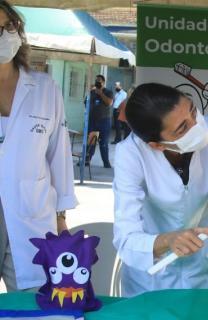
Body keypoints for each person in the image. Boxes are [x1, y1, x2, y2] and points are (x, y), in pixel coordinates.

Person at [113, 83, 208, 297]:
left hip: (206, 271)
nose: (197, 126)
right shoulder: (130, 153)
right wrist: (167, 241)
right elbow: (125, 238)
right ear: (156, 145)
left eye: (193, 111)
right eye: (182, 128)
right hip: (151, 281)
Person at [0, 0, 77, 291]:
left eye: (9, 26)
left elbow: (59, 155)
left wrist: (60, 217)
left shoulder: (45, 88)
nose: (6, 35)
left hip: (31, 213)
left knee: (35, 303)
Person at [86, 74, 113, 168]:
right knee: (91, 142)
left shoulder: (108, 92)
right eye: (96, 80)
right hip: (93, 120)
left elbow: (109, 103)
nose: (97, 82)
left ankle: (106, 163)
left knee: (104, 143)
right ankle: (87, 160)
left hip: (104, 121)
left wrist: (101, 93)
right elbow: (86, 103)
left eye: (99, 81)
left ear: (103, 82)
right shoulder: (92, 92)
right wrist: (90, 92)